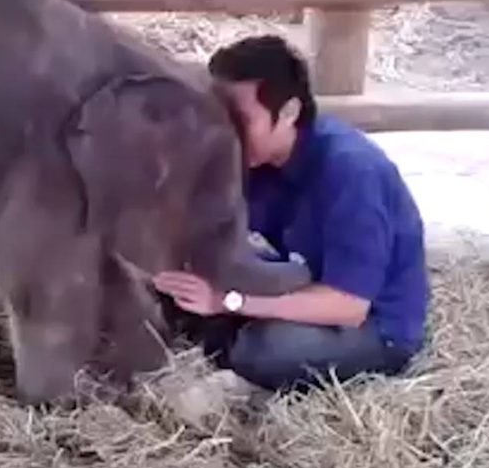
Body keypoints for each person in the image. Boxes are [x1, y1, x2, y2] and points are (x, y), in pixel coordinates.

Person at [152, 34, 430, 393]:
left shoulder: (351, 171)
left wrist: (227, 301)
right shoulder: (253, 159)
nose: (226, 134)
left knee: (264, 349)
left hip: (375, 324)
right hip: (306, 276)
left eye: (239, 120)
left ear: (288, 112)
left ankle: (250, 380)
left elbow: (349, 306)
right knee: (179, 294)